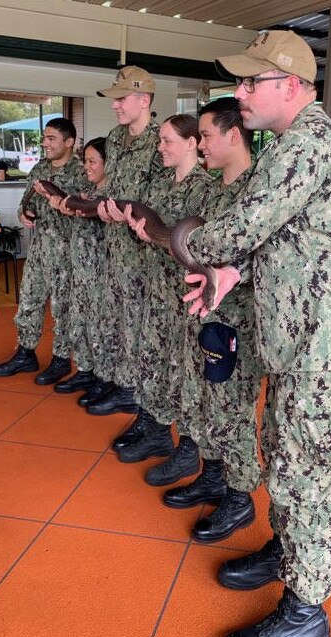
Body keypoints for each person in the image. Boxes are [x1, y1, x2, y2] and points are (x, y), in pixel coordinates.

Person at [177, 30, 331, 637]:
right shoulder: (292, 145)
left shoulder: (307, 145)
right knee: (285, 454)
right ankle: (291, 552)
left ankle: (305, 613)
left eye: (250, 82)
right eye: (238, 82)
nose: (238, 93)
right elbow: (287, 238)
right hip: (304, 342)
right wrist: (238, 271)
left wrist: (187, 242)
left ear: (290, 86)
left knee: (311, 473)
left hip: (330, 347)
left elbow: (240, 227)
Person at [152, 98, 265, 544]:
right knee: (203, 402)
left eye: (206, 136)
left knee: (232, 411)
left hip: (238, 323)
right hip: (204, 318)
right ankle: (214, 475)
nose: (201, 145)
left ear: (233, 135)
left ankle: (240, 498)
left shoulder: (258, 192)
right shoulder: (216, 190)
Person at [113, 114, 212, 484]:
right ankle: (156, 432)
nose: (160, 147)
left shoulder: (206, 191)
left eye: (168, 140)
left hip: (187, 299)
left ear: (191, 144)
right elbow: (153, 233)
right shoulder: (162, 186)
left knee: (186, 377)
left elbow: (200, 249)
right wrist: (143, 233)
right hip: (157, 294)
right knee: (152, 362)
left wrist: (161, 239)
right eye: (160, 140)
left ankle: (188, 450)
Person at [79, 66, 162, 425]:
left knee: (137, 326)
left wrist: (132, 215)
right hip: (114, 247)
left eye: (122, 98)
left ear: (143, 100)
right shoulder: (114, 138)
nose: (115, 106)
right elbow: (112, 187)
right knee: (113, 319)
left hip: (144, 252)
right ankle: (118, 381)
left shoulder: (162, 141)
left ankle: (132, 391)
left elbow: (163, 199)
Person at [0, 118, 88, 383]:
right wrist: (25, 214)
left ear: (69, 142)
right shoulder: (39, 168)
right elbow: (26, 201)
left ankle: (60, 359)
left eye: (51, 138)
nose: (45, 143)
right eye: (44, 138)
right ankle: (26, 353)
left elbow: (87, 214)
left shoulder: (80, 173)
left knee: (62, 308)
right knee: (29, 302)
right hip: (38, 251)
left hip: (66, 254)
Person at [42, 137, 108, 395]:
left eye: (92, 162)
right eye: (85, 161)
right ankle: (85, 371)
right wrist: (67, 208)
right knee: (79, 323)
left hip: (100, 277)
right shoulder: (88, 194)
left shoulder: (109, 198)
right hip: (79, 273)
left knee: (99, 327)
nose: (87, 167)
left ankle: (104, 379)